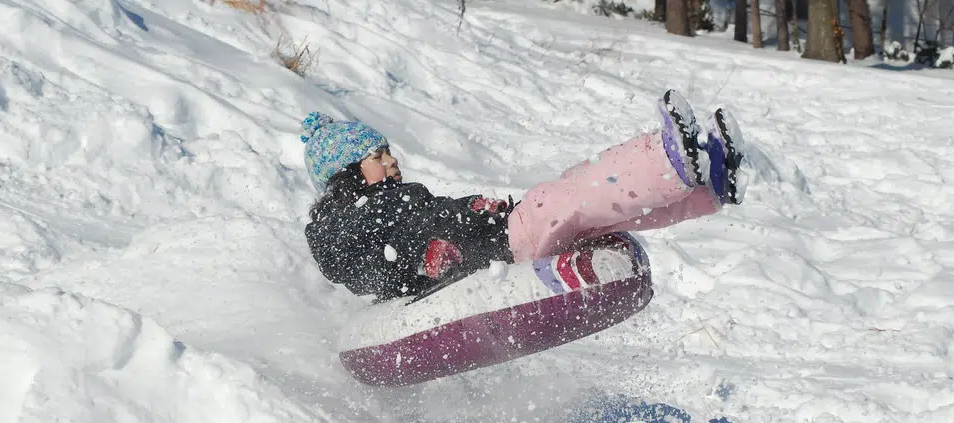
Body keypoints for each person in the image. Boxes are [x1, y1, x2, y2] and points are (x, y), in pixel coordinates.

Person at [303, 90, 745, 301]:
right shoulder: (352, 219)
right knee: (574, 193)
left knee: (608, 216)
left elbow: (425, 227)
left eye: (388, 150)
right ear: (345, 172)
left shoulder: (385, 206)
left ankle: (709, 185)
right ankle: (670, 160)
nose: (391, 160)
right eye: (376, 155)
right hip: (498, 243)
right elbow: (365, 257)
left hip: (496, 238)